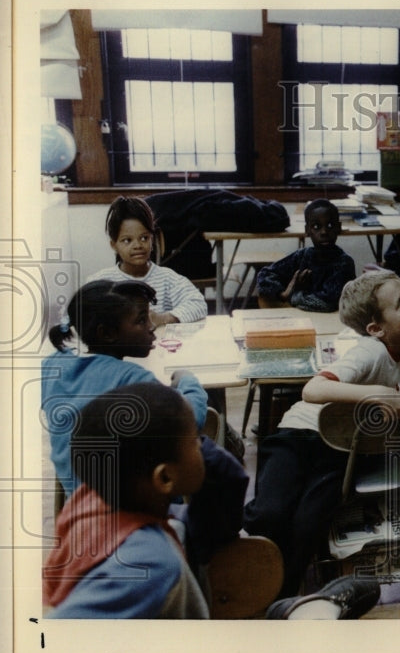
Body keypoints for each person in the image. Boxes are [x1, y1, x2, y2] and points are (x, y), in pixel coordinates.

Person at [42, 383, 378, 620]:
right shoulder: (149, 562)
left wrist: (185, 396)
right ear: (164, 479)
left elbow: (221, 490)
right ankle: (311, 614)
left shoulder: (92, 497)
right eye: (194, 441)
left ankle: (294, 611)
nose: (205, 447)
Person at [243, 269, 400, 595]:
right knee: (270, 514)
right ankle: (237, 559)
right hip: (298, 436)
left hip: (341, 451)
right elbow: (312, 390)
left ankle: (282, 596)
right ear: (375, 329)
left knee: (308, 524)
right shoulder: (368, 352)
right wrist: (371, 393)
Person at [42, 280, 208, 497]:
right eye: (141, 320)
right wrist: (188, 381)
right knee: (206, 448)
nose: (151, 326)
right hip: (132, 506)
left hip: (76, 496)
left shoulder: (52, 365)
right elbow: (192, 418)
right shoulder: (134, 379)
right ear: (107, 333)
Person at [88, 196, 208, 327]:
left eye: (144, 238)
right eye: (127, 240)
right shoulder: (101, 281)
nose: (138, 245)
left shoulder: (167, 278)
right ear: (114, 245)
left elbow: (198, 304)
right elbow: (84, 315)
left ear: (152, 239)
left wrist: (161, 318)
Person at [255, 199, 356, 311]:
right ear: (307, 230)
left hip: (332, 321)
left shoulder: (344, 262)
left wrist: (294, 293)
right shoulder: (302, 256)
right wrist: (281, 293)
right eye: (316, 227)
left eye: (330, 225)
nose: (324, 232)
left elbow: (327, 303)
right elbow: (265, 274)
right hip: (302, 317)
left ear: (339, 228)